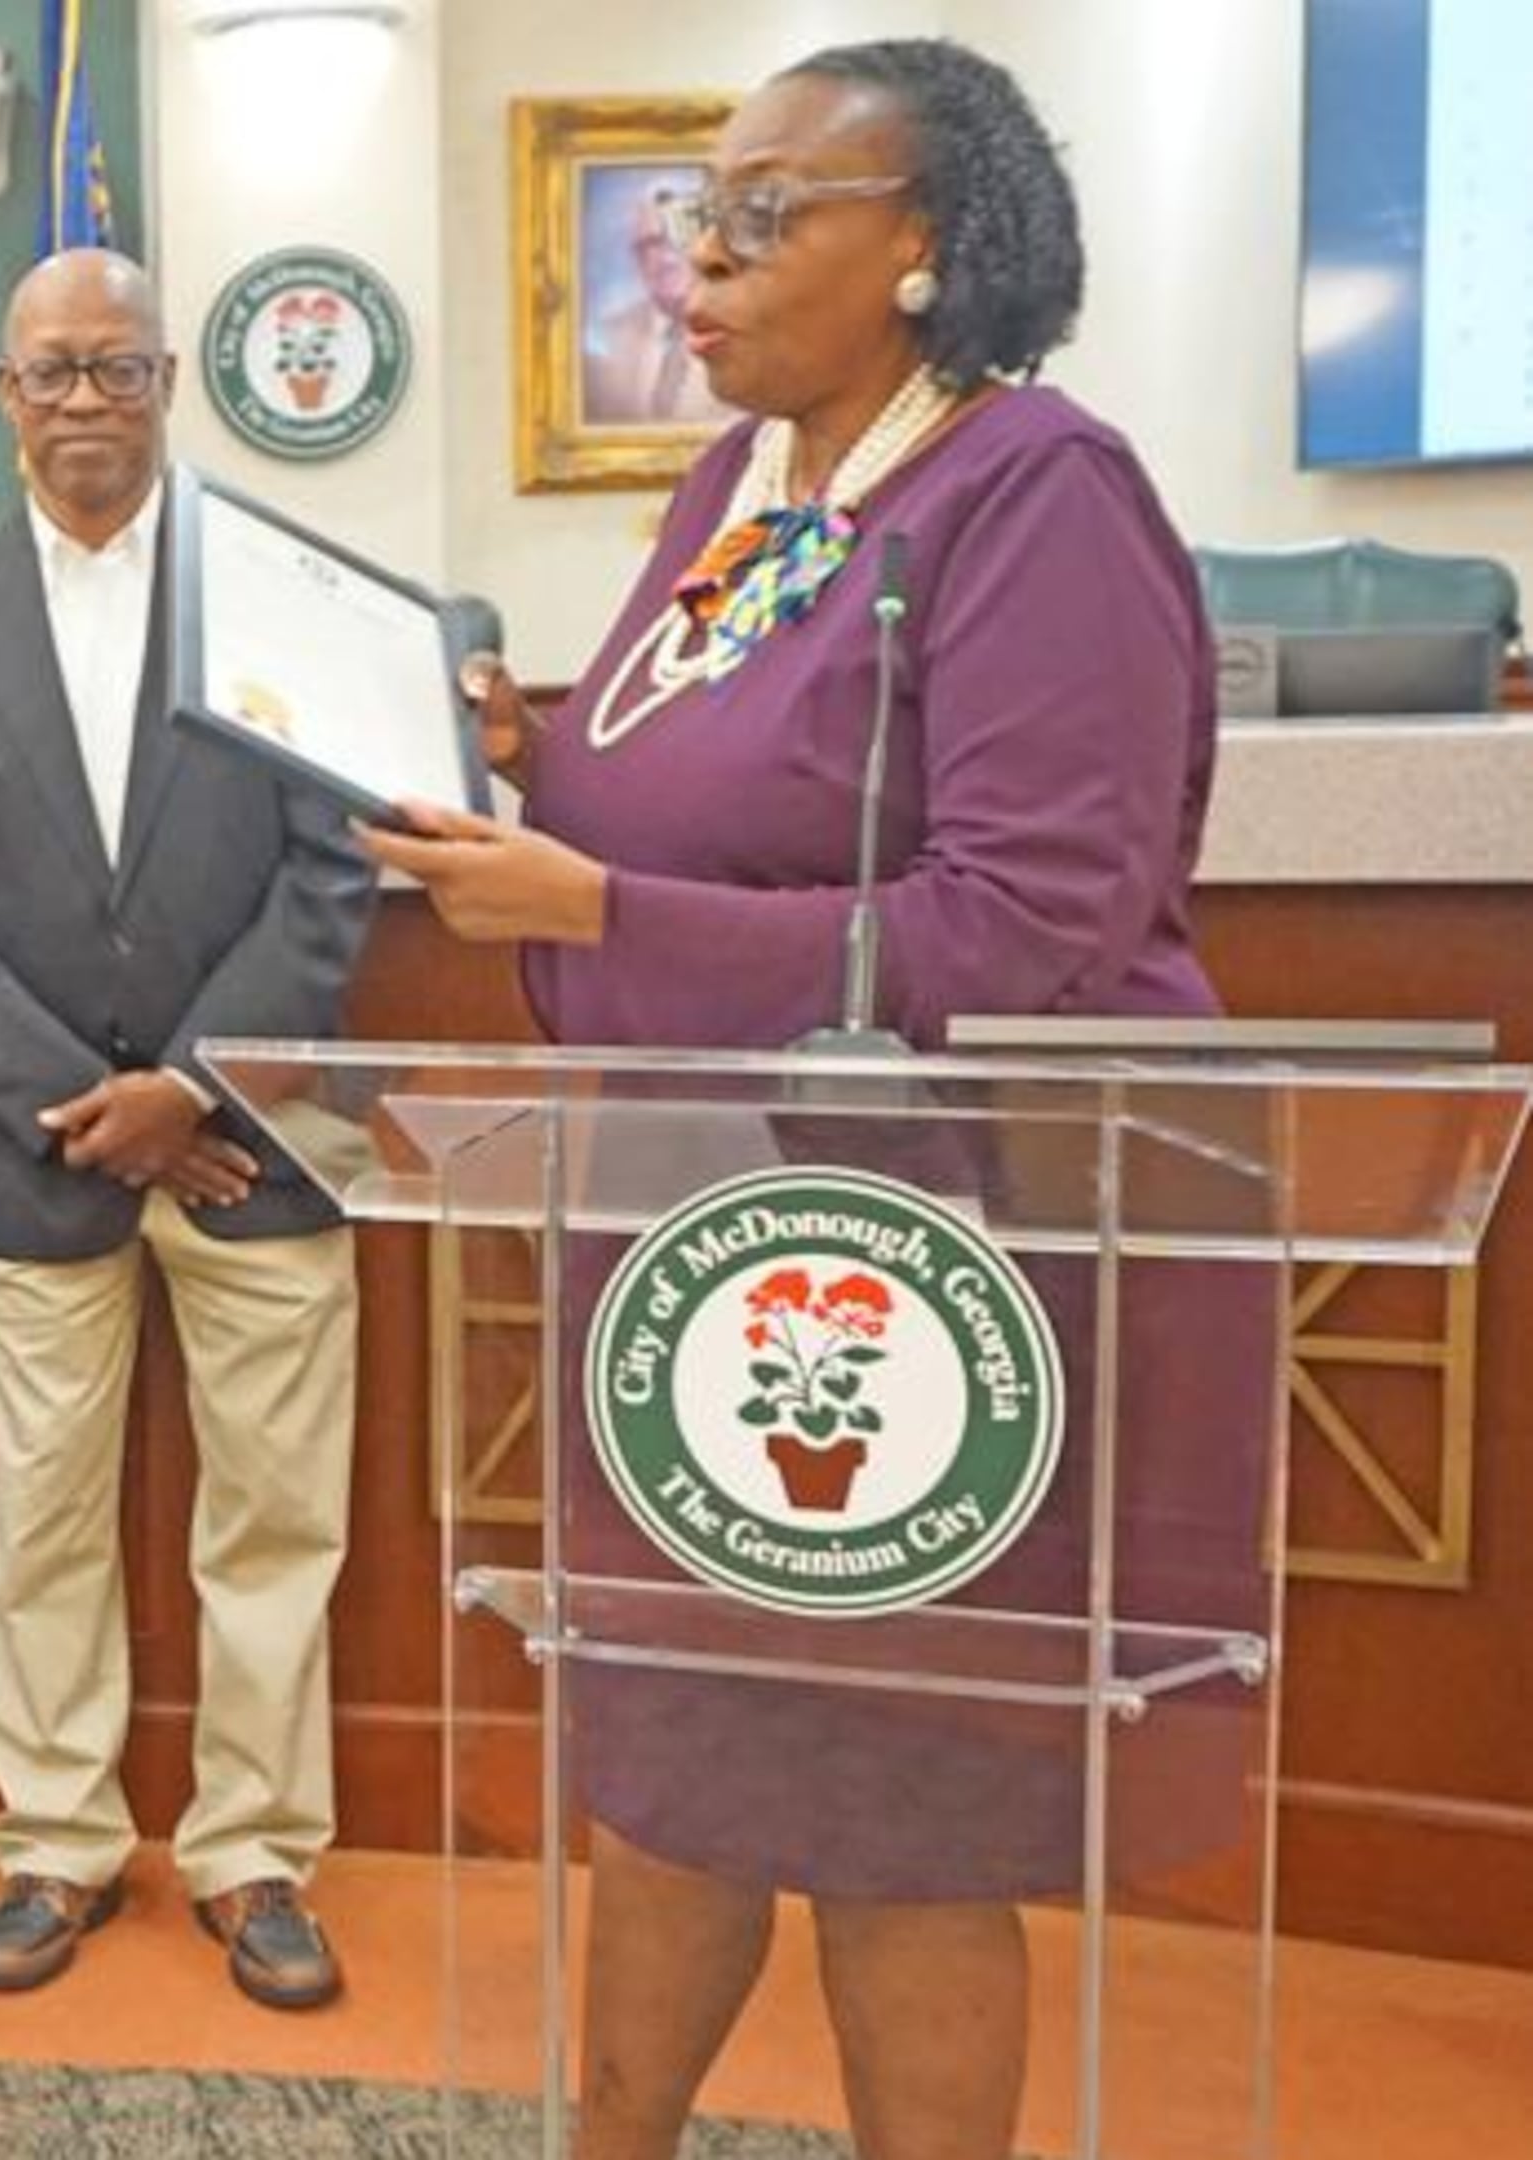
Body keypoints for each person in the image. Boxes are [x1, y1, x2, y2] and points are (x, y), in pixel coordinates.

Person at [362, 41, 1243, 2160]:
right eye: (698, 212)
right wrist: (517, 762)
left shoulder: (1034, 493)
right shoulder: (745, 496)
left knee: (898, 1821)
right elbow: (698, 814)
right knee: (678, 1780)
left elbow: (1023, 929)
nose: (701, 262)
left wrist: (589, 898)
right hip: (701, 1235)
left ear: (922, 248)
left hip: (931, 1270)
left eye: (765, 214)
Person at [0, 249, 376, 2012]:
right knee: (47, 1517)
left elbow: (333, 871)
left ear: (171, 384)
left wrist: (198, 1089)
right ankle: (58, 1840)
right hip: (38, 1145)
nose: (86, 401)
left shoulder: (281, 593)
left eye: (119, 369)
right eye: (52, 372)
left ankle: (254, 1852)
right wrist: (96, 1108)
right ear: (2, 396)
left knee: (276, 1518)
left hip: (262, 1141)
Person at [583, 182, 733, 428]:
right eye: (649, 245)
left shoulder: (746, 326)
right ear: (636, 257)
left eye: (674, 239)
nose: (664, 258)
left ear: (704, 245)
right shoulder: (608, 337)